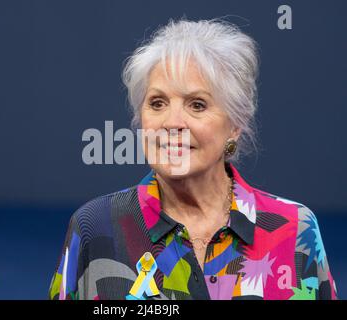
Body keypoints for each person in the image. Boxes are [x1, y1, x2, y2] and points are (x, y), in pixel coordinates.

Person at [48, 18, 337, 300]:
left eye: (197, 105)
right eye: (157, 103)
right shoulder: (95, 227)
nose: (172, 122)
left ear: (235, 125)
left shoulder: (296, 227)